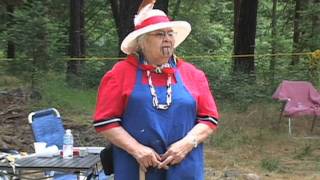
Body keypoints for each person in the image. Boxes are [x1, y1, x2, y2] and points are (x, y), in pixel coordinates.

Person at [93, 1, 219, 179]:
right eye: (159, 34)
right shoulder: (120, 74)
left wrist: (186, 144)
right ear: (142, 42)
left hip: (185, 168)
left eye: (170, 34)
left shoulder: (192, 74)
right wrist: (137, 150)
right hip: (136, 168)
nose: (167, 38)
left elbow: (209, 119)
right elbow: (105, 122)